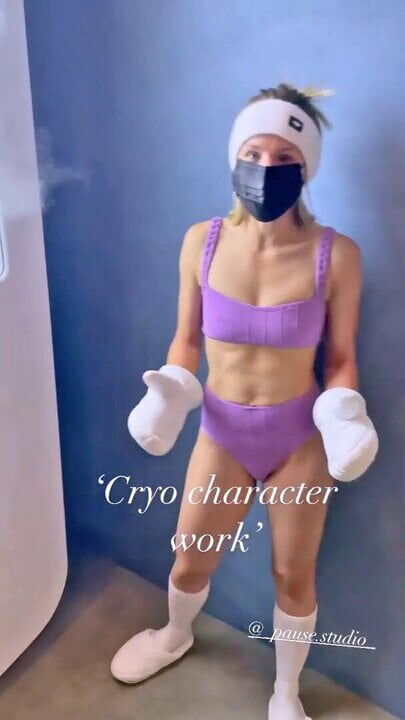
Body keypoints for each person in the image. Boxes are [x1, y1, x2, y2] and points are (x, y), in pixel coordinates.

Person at [111, 83, 378, 720]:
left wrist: (345, 414)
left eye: (285, 159)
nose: (267, 169)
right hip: (223, 432)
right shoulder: (199, 242)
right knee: (189, 557)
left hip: (297, 438)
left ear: (306, 169)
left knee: (292, 574)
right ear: (235, 156)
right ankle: (174, 635)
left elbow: (340, 358)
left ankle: (285, 691)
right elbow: (185, 341)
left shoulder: (337, 255)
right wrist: (170, 393)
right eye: (254, 154)